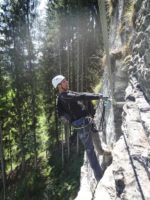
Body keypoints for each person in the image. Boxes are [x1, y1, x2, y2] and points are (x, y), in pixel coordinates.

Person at [52, 75, 109, 181]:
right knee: (90, 149)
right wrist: (98, 96)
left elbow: (80, 95)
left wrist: (97, 96)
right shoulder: (64, 96)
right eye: (64, 81)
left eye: (66, 80)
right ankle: (99, 176)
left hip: (86, 121)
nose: (67, 81)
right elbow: (81, 96)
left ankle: (101, 152)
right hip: (81, 124)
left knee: (95, 137)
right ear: (59, 86)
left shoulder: (67, 94)